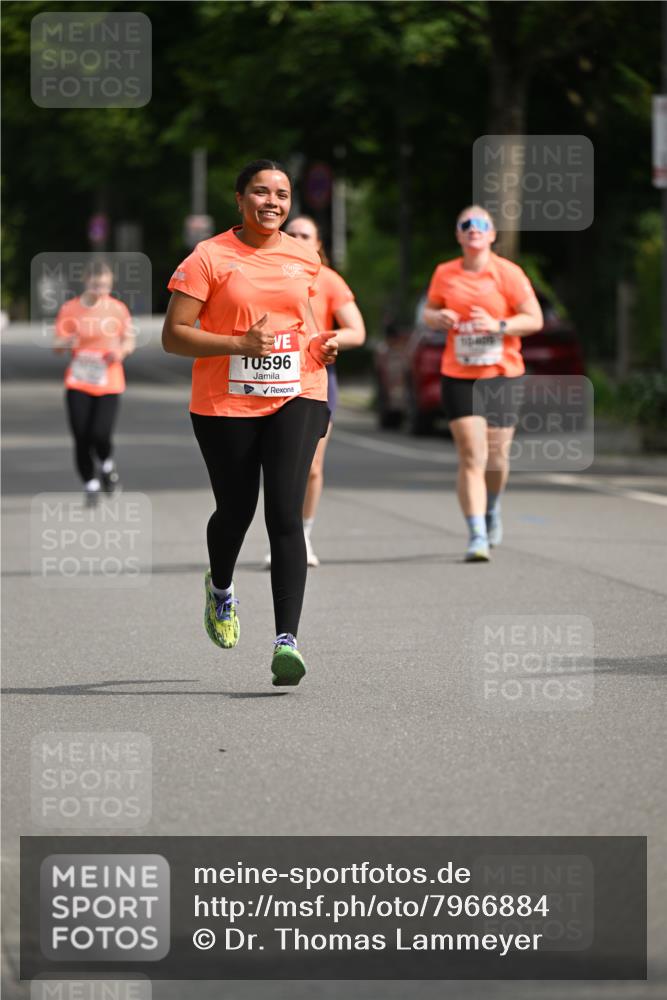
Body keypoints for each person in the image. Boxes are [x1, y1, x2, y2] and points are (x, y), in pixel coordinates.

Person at [162, 159, 337, 687]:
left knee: (284, 509)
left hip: (296, 392)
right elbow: (174, 335)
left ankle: (287, 641)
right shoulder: (209, 257)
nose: (272, 202)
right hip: (224, 402)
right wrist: (238, 344)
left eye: (282, 195)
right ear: (240, 199)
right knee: (235, 509)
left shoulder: (304, 257)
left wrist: (322, 346)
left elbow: (307, 323)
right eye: (260, 192)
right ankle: (220, 589)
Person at [423, 206, 543, 562]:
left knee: (496, 456)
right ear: (459, 235)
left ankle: (491, 506)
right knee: (470, 456)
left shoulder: (508, 273)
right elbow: (428, 312)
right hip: (458, 374)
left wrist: (498, 325)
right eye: (466, 225)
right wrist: (437, 317)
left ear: (492, 234)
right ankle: (476, 532)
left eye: (481, 225)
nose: (474, 229)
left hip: (501, 374)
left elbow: (533, 318)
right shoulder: (445, 273)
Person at [264, 215, 366, 568]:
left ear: (318, 244)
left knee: (311, 465)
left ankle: (302, 535)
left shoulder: (330, 280)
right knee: (277, 463)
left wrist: (325, 339)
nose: (296, 238)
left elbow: (357, 330)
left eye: (305, 234)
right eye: (290, 233)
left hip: (316, 379)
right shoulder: (264, 271)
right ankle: (281, 535)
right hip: (268, 377)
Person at [54, 259, 135, 505]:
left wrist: (120, 353)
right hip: (78, 381)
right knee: (81, 435)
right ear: (86, 282)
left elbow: (128, 340)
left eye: (105, 285)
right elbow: (57, 346)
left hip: (109, 381)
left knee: (100, 433)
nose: (100, 290)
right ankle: (91, 483)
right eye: (96, 284)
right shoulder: (70, 308)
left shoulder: (118, 309)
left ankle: (107, 465)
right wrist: (68, 342)